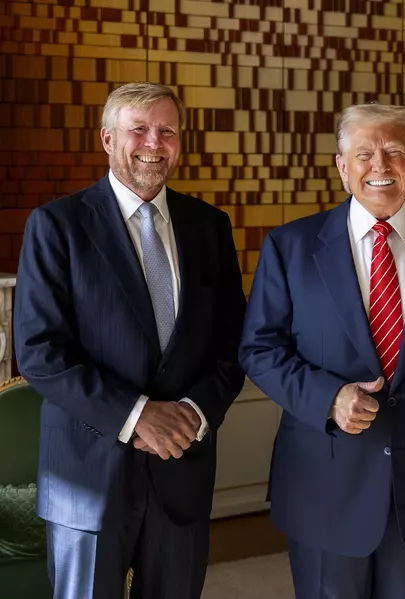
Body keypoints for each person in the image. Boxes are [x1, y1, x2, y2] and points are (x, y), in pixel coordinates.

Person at [239, 103, 405, 599]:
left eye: (394, 152)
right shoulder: (290, 247)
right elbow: (259, 349)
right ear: (341, 166)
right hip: (323, 485)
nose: (380, 166)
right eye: (364, 154)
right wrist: (328, 398)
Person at [14, 82, 247, 599]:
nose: (153, 142)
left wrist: (193, 414)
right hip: (87, 476)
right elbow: (39, 352)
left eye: (167, 131)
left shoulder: (210, 226)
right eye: (138, 129)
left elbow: (234, 343)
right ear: (107, 139)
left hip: (182, 468)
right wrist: (137, 414)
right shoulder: (57, 224)